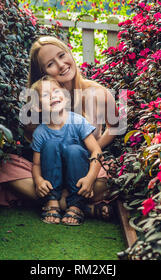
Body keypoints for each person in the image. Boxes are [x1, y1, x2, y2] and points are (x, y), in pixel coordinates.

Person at [0, 35, 123, 221]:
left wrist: (93, 151)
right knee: (4, 166)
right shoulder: (40, 102)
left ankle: (54, 202)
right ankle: (77, 204)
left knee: (110, 175)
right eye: (51, 64)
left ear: (70, 53)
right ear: (43, 73)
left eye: (62, 55)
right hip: (50, 171)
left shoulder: (99, 93)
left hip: (85, 167)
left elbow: (115, 127)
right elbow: (36, 144)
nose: (61, 64)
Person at [29, 75, 102, 225]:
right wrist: (39, 181)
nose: (52, 97)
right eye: (45, 95)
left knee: (74, 150)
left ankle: (77, 204)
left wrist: (90, 178)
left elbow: (96, 151)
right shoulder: (40, 132)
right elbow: (36, 164)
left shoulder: (77, 121)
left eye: (56, 91)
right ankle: (52, 201)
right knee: (50, 145)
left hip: (76, 174)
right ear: (38, 106)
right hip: (53, 177)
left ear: (65, 95)